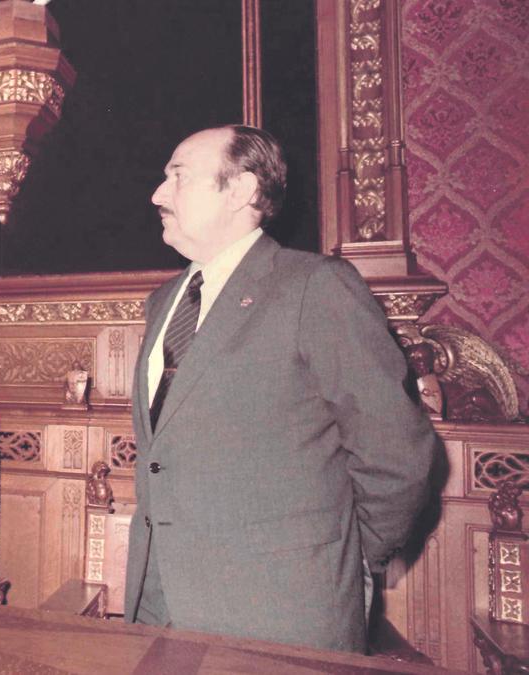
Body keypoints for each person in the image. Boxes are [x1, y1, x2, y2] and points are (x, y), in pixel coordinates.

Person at [123, 125, 435, 652]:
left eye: (177, 177)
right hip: (159, 600)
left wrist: (348, 556)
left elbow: (396, 450)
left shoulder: (315, 286)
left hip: (280, 608)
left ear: (243, 190)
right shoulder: (164, 302)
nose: (158, 193)